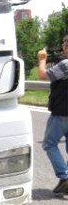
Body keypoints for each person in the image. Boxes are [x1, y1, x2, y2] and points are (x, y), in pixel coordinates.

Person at [37, 35, 68, 194]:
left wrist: (42, 59)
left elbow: (42, 75)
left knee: (49, 144)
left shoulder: (65, 64)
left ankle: (64, 177)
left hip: (62, 113)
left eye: (64, 45)